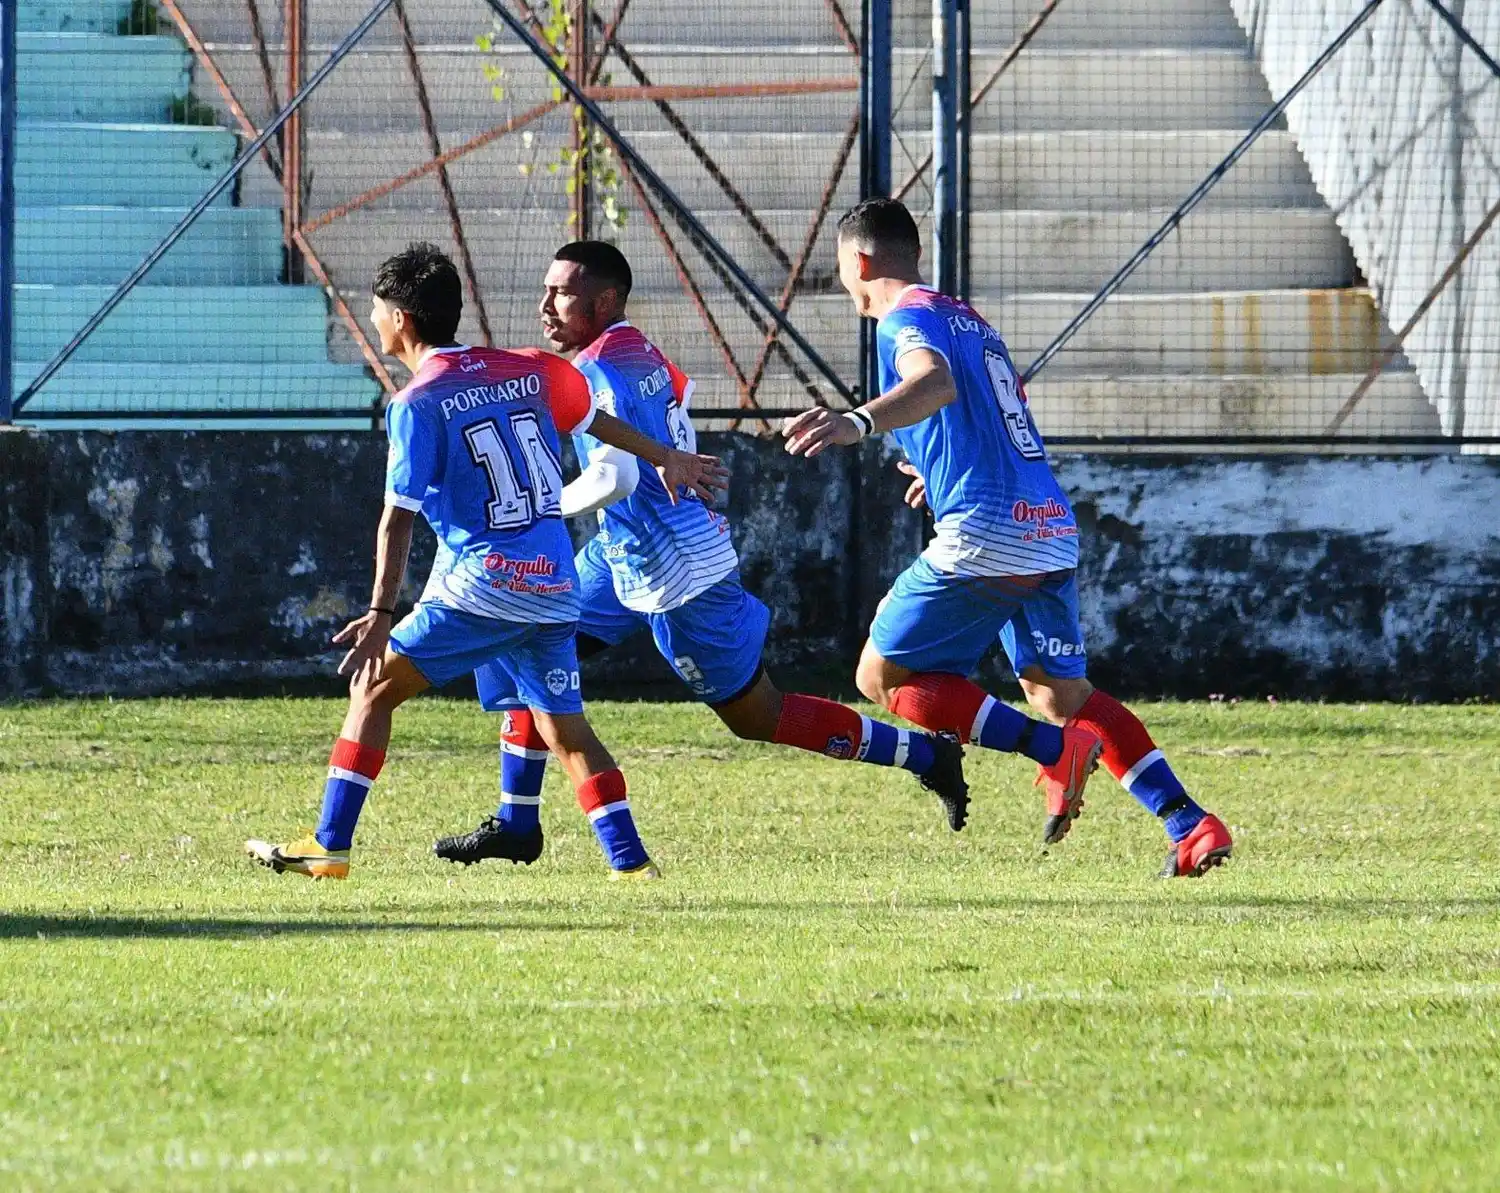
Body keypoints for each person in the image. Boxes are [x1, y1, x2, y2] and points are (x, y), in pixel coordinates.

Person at [432, 240, 970, 869]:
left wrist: (532, 508)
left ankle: (927, 756)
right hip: (621, 552)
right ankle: (517, 823)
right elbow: (675, 403)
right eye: (546, 290)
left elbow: (614, 479)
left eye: (562, 293)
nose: (545, 305)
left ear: (604, 301)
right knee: (520, 640)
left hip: (680, 576)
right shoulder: (639, 350)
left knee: (758, 716)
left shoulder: (599, 369)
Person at [245, 241, 728, 881]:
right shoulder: (526, 368)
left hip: (483, 589)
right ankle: (632, 865)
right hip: (556, 586)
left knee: (373, 689)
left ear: (402, 322)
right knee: (567, 731)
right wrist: (662, 454)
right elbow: (596, 419)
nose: (375, 321)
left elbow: (398, 518)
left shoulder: (417, 403)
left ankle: (329, 845)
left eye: (378, 311)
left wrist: (379, 612)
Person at [781, 199, 1232, 878]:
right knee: (1060, 691)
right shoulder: (971, 320)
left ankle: (1052, 751)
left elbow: (931, 383)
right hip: (1047, 524)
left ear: (860, 261)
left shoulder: (903, 317)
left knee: (879, 674)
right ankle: (1190, 823)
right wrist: (940, 470)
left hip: (989, 533)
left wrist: (855, 422)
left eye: (841, 268)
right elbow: (988, 409)